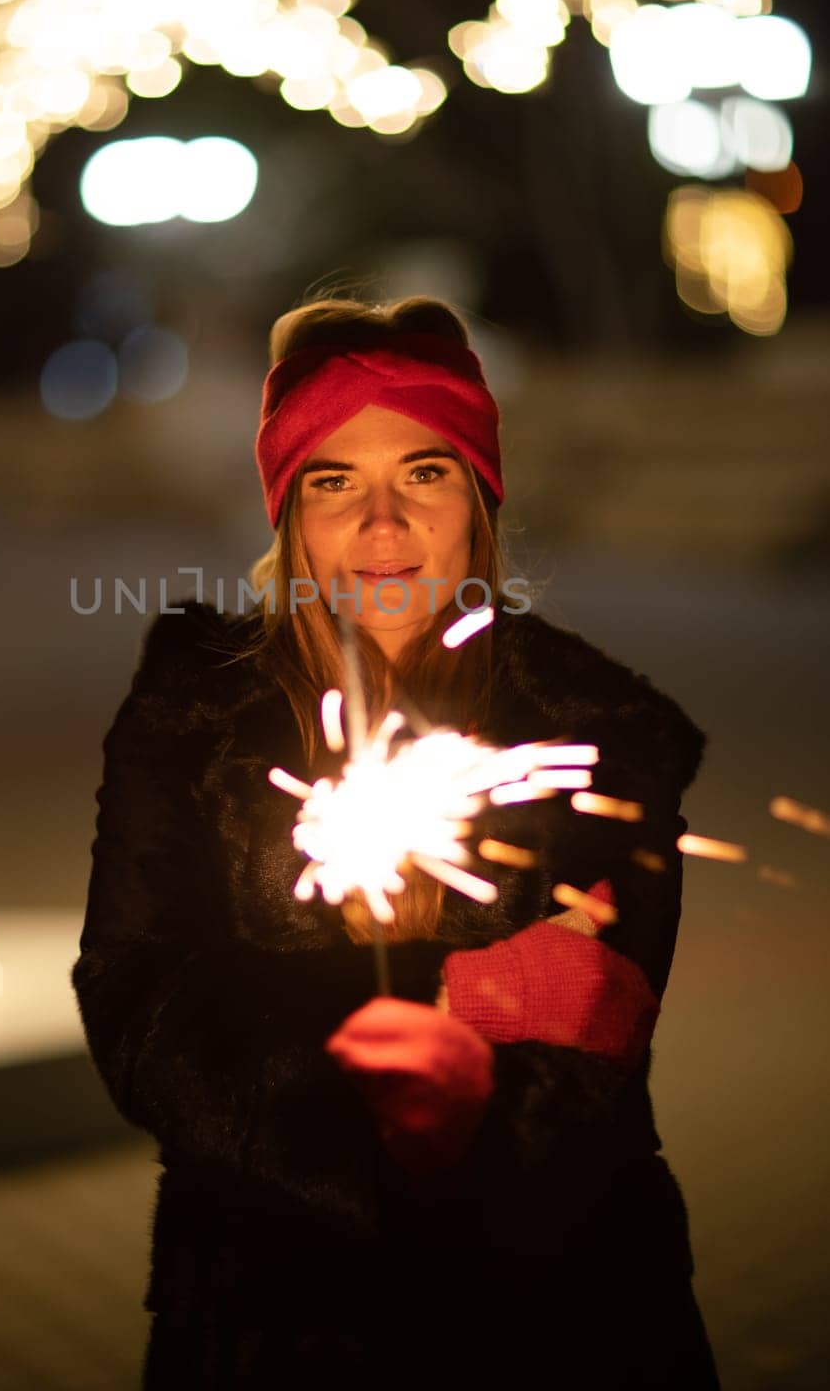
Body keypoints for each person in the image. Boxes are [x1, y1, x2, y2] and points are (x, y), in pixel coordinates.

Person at [71, 295, 721, 1389]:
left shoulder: (593, 732)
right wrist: (379, 1093)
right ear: (287, 514)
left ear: (477, 498)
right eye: (333, 482)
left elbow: (592, 1025)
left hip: (558, 1313)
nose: (382, 526)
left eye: (423, 473)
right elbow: (137, 999)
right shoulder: (189, 717)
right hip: (270, 1313)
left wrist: (462, 1097)